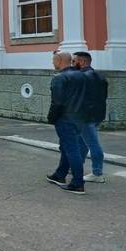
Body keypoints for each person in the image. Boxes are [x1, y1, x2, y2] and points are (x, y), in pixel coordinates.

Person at [46, 50, 89, 195]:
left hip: (65, 118)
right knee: (67, 147)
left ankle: (78, 183)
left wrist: (51, 118)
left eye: (53, 60)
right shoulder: (83, 76)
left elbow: (57, 103)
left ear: (59, 61)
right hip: (80, 117)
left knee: (71, 149)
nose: (52, 63)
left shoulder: (59, 78)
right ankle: (60, 175)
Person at [73, 51, 109, 183]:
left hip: (84, 116)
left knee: (92, 143)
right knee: (84, 141)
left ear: (81, 62)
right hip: (98, 114)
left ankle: (97, 173)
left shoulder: (80, 77)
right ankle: (77, 165)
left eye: (74, 61)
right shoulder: (100, 76)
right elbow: (104, 96)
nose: (72, 64)